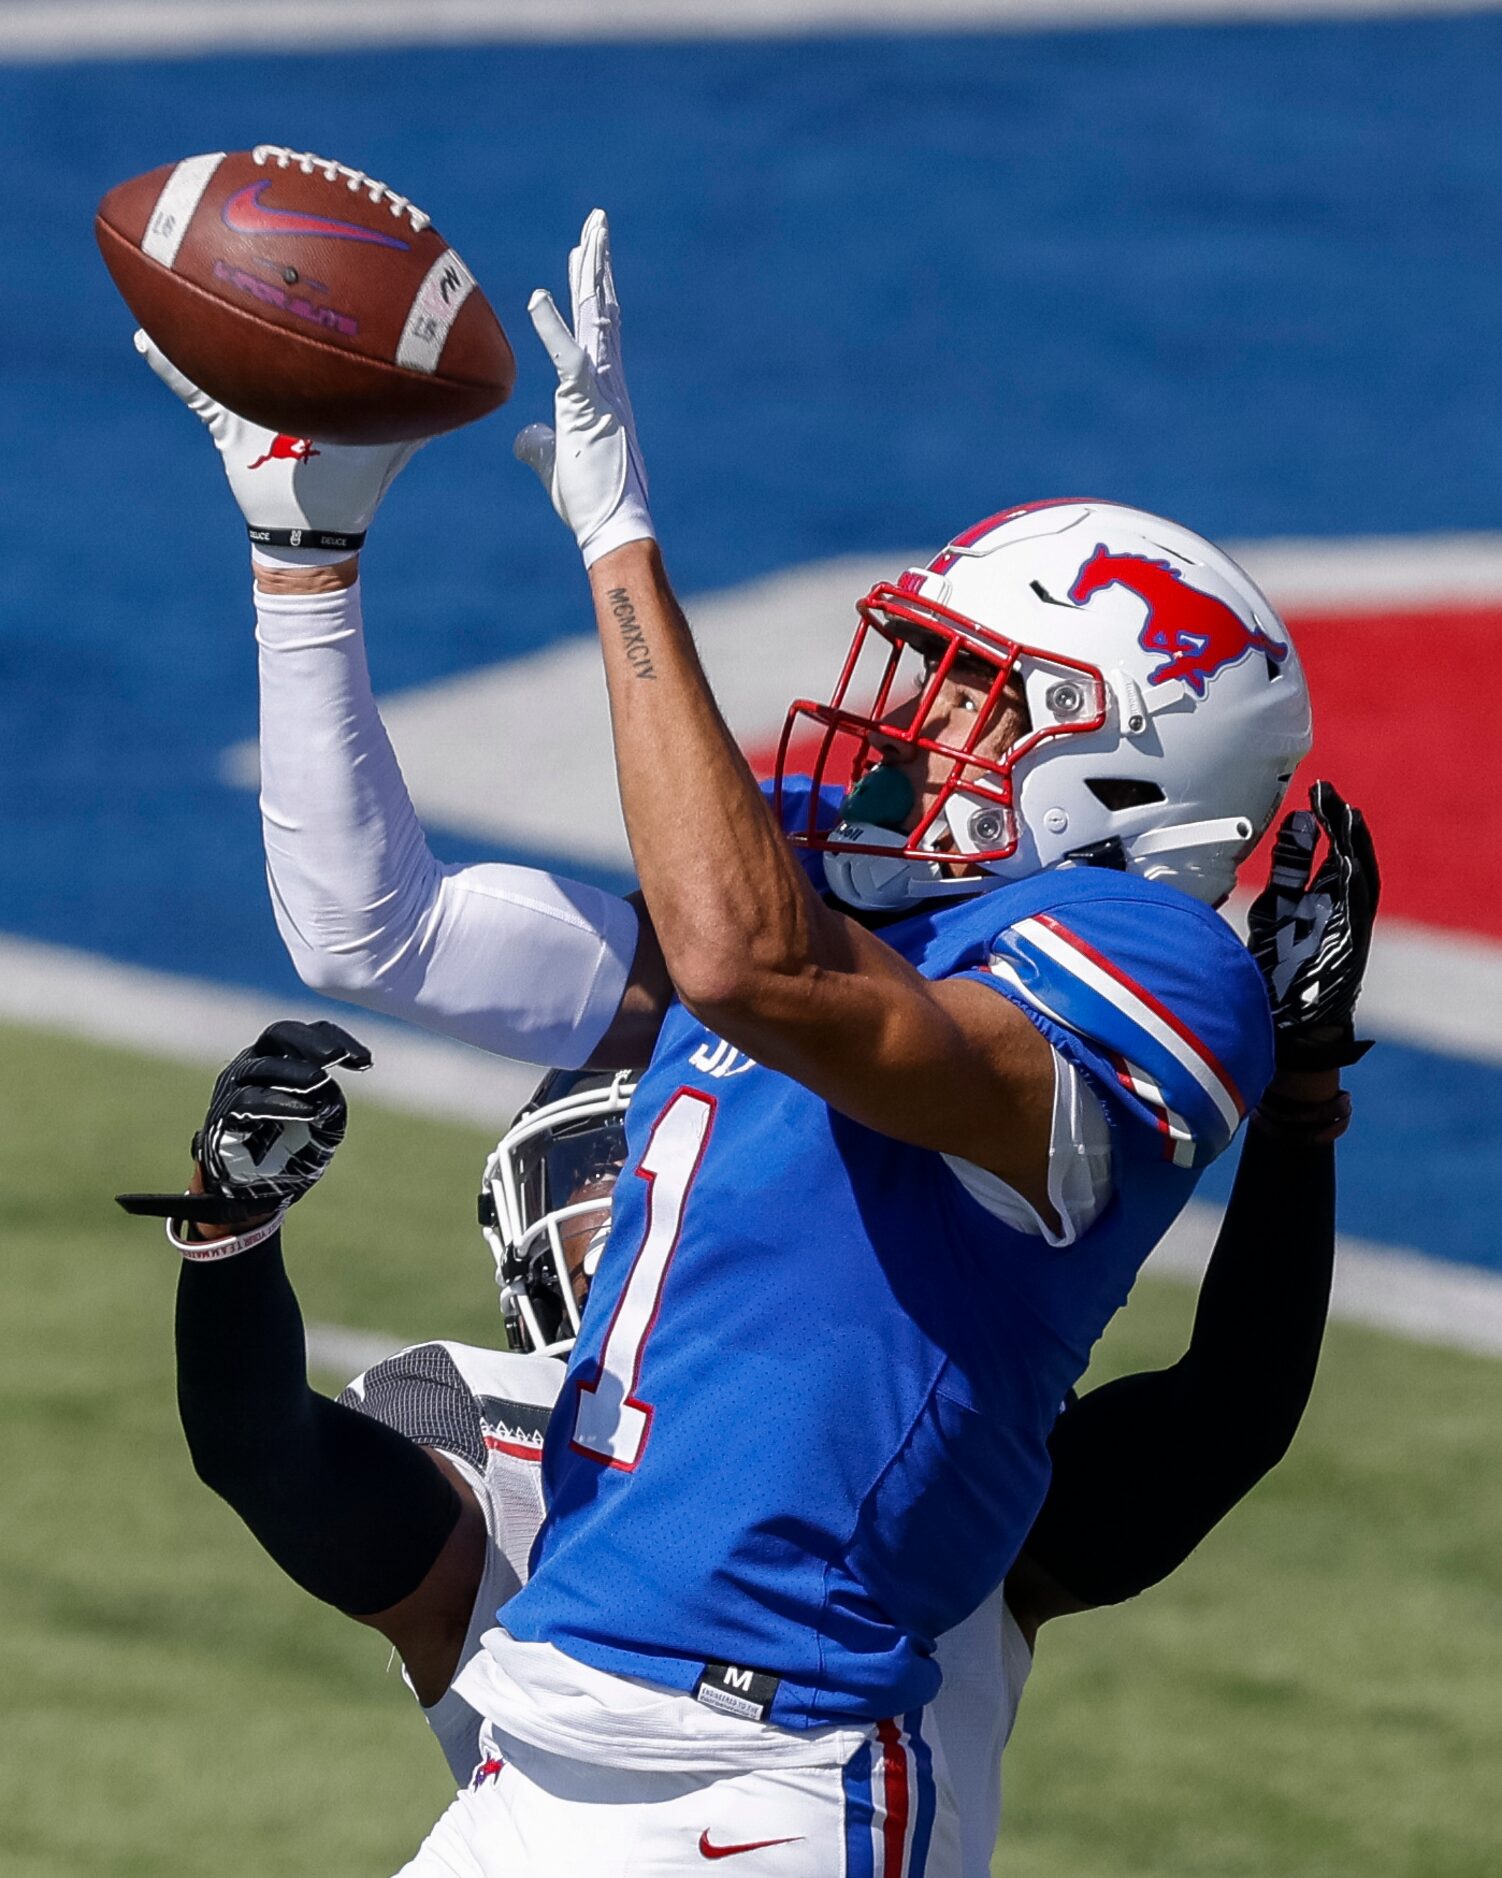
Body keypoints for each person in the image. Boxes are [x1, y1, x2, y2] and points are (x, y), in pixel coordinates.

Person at [138, 207, 1319, 1872]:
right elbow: (373, 930)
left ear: (1123, 772)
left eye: (976, 690)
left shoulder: (1144, 969)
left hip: (772, 1771)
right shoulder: (841, 903)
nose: (911, 715)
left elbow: (758, 971)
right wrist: (304, 566)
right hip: (544, 1749)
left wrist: (619, 536)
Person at [115, 784, 1378, 1877]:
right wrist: (228, 1235)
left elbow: (1226, 1413)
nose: (632, 1216)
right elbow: (262, 1451)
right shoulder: (493, 1423)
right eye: (608, 1177)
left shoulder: (887, 1430)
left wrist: (1299, 1099)